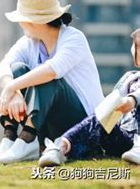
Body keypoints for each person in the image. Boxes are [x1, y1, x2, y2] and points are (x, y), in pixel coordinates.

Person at [0, 0, 104, 164]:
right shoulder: (30, 42)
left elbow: (51, 71)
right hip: (49, 127)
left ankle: (27, 138)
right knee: (17, 69)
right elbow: (3, 67)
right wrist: (14, 91)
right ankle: (10, 138)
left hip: (83, 128)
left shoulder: (74, 39)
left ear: (33, 21)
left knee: (48, 78)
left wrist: (12, 87)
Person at [39, 28, 140, 166]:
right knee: (101, 117)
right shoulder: (130, 78)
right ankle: (61, 147)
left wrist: (133, 99)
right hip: (125, 139)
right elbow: (113, 102)